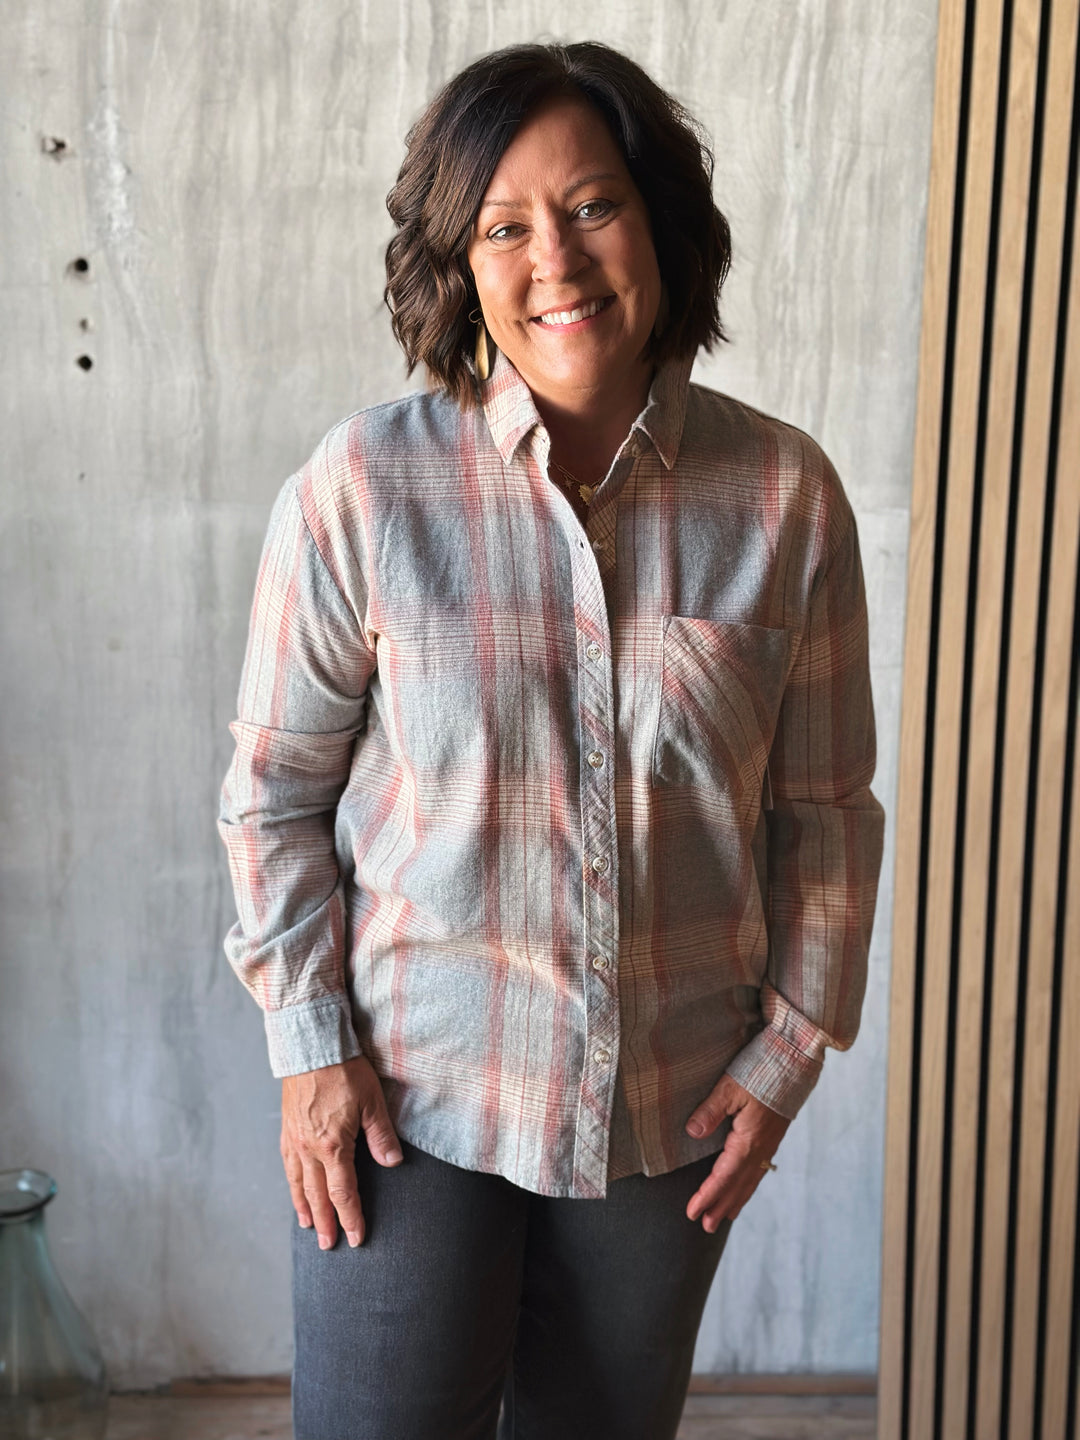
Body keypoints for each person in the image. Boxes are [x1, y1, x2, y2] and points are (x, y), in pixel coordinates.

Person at [218, 39, 885, 1440]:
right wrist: (307, 1048)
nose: (557, 261)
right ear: (457, 265)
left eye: (591, 206)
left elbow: (826, 812)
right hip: (405, 1104)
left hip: (667, 1115)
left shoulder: (784, 500)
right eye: (504, 227)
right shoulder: (361, 491)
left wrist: (792, 1048)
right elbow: (271, 797)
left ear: (658, 222)